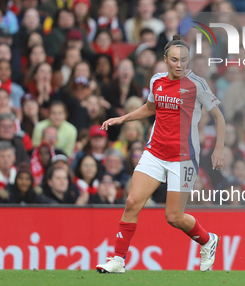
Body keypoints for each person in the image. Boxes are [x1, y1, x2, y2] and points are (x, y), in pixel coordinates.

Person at [96, 34, 225, 273]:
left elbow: (219, 117)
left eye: (184, 60)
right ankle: (118, 260)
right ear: (165, 59)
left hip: (183, 158)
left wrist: (219, 148)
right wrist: (122, 118)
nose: (179, 64)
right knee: (132, 202)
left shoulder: (197, 85)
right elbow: (150, 108)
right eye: (174, 59)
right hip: (155, 152)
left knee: (174, 217)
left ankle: (208, 240)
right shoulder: (156, 80)